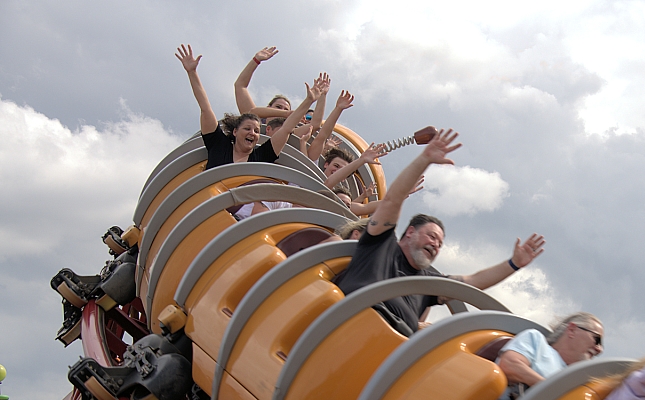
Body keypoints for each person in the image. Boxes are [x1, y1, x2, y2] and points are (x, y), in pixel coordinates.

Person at [334, 128, 545, 334]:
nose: (436, 245)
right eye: (432, 237)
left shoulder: (428, 281)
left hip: (390, 349)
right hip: (352, 324)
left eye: (440, 244)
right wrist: (424, 160)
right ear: (410, 233)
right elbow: (392, 201)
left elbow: (473, 282)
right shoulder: (380, 244)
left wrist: (514, 264)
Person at [175, 44, 324, 169]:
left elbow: (286, 129)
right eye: (247, 129)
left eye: (257, 130)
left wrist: (309, 101)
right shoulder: (219, 145)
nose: (252, 133)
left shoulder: (261, 155)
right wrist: (192, 73)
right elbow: (205, 108)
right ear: (235, 131)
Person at [468, 313, 604, 400]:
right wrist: (552, 391)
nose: (599, 349)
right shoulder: (536, 340)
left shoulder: (577, 382)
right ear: (572, 330)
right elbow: (510, 365)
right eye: (596, 339)